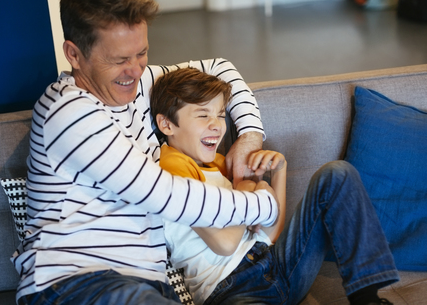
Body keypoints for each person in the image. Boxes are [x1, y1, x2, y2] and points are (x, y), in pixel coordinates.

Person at [12, 0, 277, 304]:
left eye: (141, 53)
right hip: (71, 283)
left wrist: (248, 137)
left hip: (146, 285)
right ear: (74, 54)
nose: (136, 70)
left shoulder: (139, 84)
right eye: (120, 58)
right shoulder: (67, 110)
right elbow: (164, 195)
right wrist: (264, 203)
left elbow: (221, 69)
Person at [150, 67, 399, 305]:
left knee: (338, 173)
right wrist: (247, 191)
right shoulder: (171, 171)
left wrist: (280, 171)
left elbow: (270, 235)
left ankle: (367, 298)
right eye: (203, 114)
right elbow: (224, 245)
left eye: (221, 114)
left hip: (277, 266)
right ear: (166, 124)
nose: (217, 125)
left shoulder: (218, 164)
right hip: (231, 291)